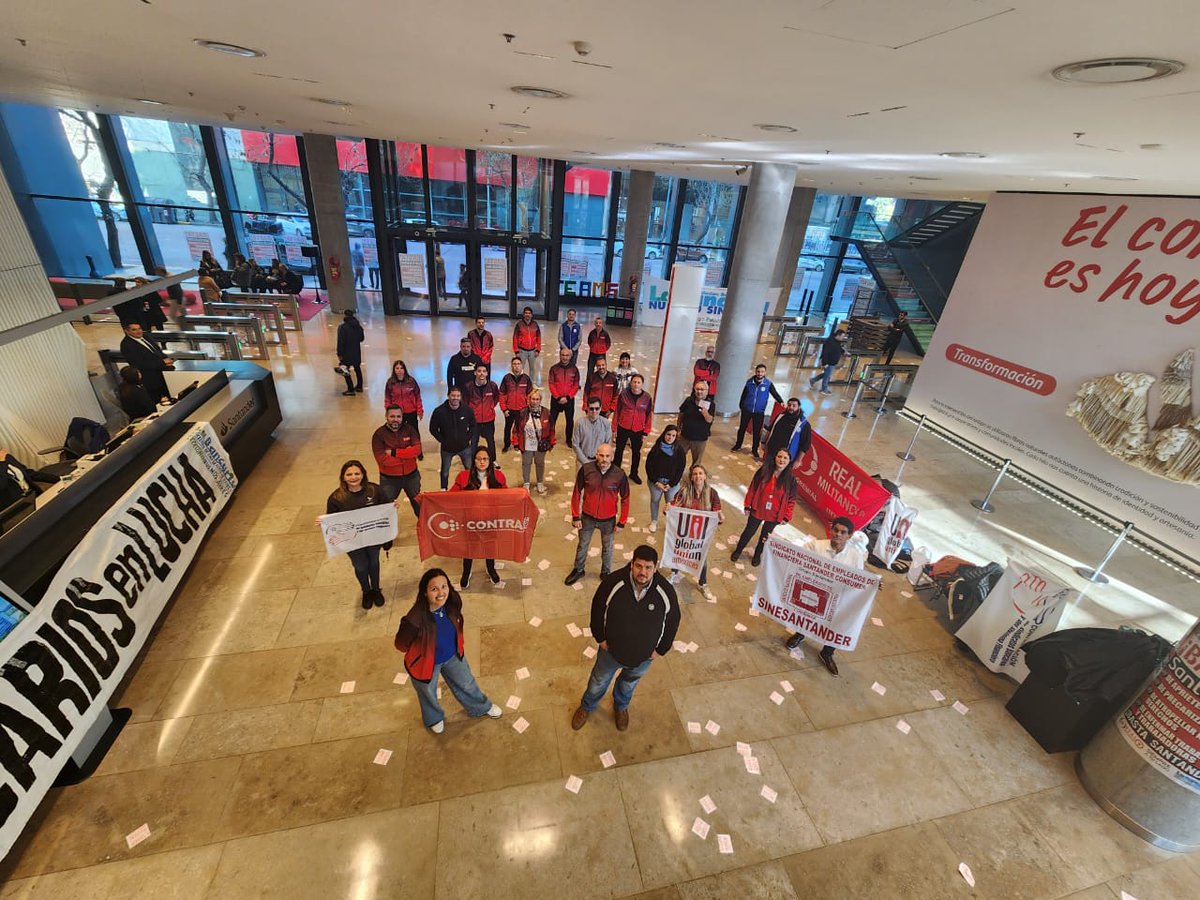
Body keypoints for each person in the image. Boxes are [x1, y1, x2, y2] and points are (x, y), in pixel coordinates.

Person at [570, 544, 679, 732]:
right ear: (631, 564)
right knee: (598, 682)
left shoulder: (665, 591)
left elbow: (674, 620)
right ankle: (587, 706)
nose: (642, 572)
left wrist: (660, 649)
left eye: (648, 567)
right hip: (610, 652)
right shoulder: (614, 582)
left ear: (656, 567)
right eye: (638, 566)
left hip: (643, 657)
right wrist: (600, 637)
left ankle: (621, 707)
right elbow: (597, 607)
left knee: (628, 685)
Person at [393, 568, 503, 734]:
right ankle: (434, 718)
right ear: (424, 593)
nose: (441, 593)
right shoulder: (414, 619)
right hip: (425, 663)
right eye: (434, 589)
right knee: (427, 693)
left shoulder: (452, 601)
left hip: (453, 655)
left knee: (467, 683)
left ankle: (480, 707)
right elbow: (401, 644)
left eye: (444, 586)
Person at [785, 516, 868, 677]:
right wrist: (774, 546)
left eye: (843, 532)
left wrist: (873, 585)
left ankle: (827, 652)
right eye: (835, 530)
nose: (838, 534)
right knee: (807, 614)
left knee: (836, 624)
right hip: (815, 592)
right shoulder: (816, 546)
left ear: (849, 536)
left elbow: (859, 580)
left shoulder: (855, 557)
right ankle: (800, 634)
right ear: (831, 530)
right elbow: (796, 555)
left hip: (838, 598)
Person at [325, 460, 398, 609]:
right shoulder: (336, 498)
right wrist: (324, 523)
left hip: (373, 537)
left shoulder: (374, 490)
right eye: (349, 474)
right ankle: (366, 591)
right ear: (343, 477)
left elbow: (385, 508)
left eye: (357, 473)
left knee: (374, 563)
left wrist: (392, 506)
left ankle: (376, 589)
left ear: (363, 474)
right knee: (361, 566)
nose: (353, 477)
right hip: (353, 542)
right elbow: (333, 521)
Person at [565, 444, 629, 585]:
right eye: (601, 455)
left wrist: (622, 521)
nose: (604, 459)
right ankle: (579, 570)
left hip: (609, 520)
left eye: (607, 456)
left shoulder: (619, 475)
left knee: (608, 548)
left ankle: (606, 572)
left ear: (612, 457)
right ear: (596, 455)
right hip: (587, 517)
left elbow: (625, 499)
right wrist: (575, 516)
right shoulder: (586, 470)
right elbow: (576, 492)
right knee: (582, 545)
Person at [731, 449, 798, 567]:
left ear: (789, 461)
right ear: (775, 457)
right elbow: (753, 488)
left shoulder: (790, 479)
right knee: (748, 532)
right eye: (779, 456)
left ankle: (757, 555)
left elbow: (791, 500)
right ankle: (738, 550)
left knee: (765, 537)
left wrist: (787, 516)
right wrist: (747, 504)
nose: (781, 460)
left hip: (774, 514)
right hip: (758, 509)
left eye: (785, 458)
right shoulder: (764, 471)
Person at [451, 448, 506, 588]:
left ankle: (490, 568)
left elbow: (507, 495)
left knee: (490, 545)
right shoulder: (463, 477)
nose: (481, 462)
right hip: (470, 521)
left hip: (490, 520)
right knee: (469, 547)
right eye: (478, 459)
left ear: (490, 460)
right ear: (473, 460)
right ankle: (466, 571)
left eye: (485, 459)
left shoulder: (498, 476)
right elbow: (450, 497)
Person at [669, 464, 724, 601]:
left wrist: (720, 517)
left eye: (700, 473)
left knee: (702, 561)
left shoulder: (712, 493)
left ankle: (703, 583)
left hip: (700, 536)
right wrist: (669, 507)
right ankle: (674, 573)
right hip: (684, 532)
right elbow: (675, 504)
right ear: (691, 478)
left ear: (705, 476)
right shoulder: (685, 491)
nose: (698, 476)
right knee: (678, 554)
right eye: (694, 474)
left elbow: (717, 510)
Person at [372, 405, 422, 516]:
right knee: (386, 509)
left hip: (411, 476)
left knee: (419, 506)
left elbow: (417, 450)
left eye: (398, 416)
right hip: (389, 480)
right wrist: (408, 456)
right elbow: (383, 460)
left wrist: (394, 453)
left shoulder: (410, 430)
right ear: (386, 416)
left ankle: (424, 530)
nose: (396, 419)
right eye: (392, 416)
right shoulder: (379, 435)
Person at [731, 364, 784, 458]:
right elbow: (744, 395)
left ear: (765, 372)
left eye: (762, 372)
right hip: (747, 410)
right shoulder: (749, 382)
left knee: (756, 431)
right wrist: (741, 406)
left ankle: (754, 449)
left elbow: (775, 393)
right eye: (758, 371)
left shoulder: (768, 384)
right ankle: (738, 445)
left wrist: (781, 401)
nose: (760, 373)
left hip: (759, 412)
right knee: (742, 428)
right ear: (756, 372)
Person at [429, 387, 477, 490]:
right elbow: (433, 429)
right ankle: (444, 488)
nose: (455, 398)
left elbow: (473, 426)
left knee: (469, 469)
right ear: (448, 396)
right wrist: (443, 440)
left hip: (464, 448)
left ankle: (472, 486)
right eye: (453, 395)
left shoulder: (467, 410)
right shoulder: (439, 411)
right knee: (445, 471)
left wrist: (467, 438)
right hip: (447, 449)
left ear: (461, 397)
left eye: (458, 396)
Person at [511, 387, 554, 493]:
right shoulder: (522, 413)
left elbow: (551, 428)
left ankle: (540, 482)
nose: (535, 402)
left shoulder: (546, 412)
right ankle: (526, 483)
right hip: (526, 444)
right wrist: (515, 442)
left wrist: (552, 442)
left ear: (540, 400)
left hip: (540, 444)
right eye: (533, 399)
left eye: (537, 399)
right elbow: (516, 429)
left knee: (540, 463)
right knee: (526, 463)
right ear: (529, 400)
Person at [119, 321, 173, 403]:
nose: (139, 331)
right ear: (127, 331)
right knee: (158, 402)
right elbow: (139, 364)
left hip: (164, 375)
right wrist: (162, 362)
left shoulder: (146, 336)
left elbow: (158, 351)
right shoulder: (126, 345)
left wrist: (167, 360)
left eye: (139, 328)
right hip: (151, 380)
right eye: (134, 330)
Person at [614, 373, 653, 484]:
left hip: (638, 429)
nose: (636, 384)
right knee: (619, 450)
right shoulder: (623, 395)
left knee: (636, 452)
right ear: (631, 383)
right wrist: (614, 428)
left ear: (642, 384)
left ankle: (634, 473)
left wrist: (646, 432)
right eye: (634, 382)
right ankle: (616, 472)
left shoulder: (647, 398)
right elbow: (617, 411)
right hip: (623, 426)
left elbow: (648, 415)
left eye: (638, 382)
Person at [644, 424, 685, 531]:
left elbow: (680, 469)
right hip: (656, 482)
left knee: (671, 503)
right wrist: (656, 482)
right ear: (664, 434)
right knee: (655, 500)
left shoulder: (679, 450)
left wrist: (671, 484)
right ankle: (654, 521)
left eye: (673, 436)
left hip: (672, 484)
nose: (670, 438)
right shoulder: (656, 448)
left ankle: (671, 523)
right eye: (668, 434)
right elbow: (649, 466)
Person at [462, 363, 501, 465]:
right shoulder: (468, 387)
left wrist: (490, 408)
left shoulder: (492, 386)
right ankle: (473, 461)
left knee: (491, 441)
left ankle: (493, 460)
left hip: (489, 420)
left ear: (487, 373)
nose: (481, 374)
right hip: (475, 421)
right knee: (474, 442)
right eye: (479, 371)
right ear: (475, 373)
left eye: (484, 371)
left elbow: (496, 399)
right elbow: (465, 402)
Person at [547, 347, 581, 447]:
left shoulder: (574, 369)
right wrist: (557, 397)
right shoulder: (554, 368)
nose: (565, 357)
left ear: (570, 356)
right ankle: (549, 438)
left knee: (569, 420)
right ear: (559, 355)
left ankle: (568, 439)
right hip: (556, 399)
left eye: (567, 355)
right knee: (552, 420)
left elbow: (576, 385)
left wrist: (568, 397)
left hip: (569, 400)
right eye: (563, 355)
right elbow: (551, 383)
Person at [677, 380, 714, 467]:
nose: (699, 391)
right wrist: (678, 428)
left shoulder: (710, 404)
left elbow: (709, 420)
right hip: (685, 436)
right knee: (678, 457)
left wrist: (705, 413)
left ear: (707, 391)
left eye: (702, 389)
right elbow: (681, 414)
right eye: (697, 389)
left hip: (700, 439)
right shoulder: (689, 400)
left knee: (696, 462)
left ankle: (694, 477)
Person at [499, 357, 532, 453]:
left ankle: (518, 444)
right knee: (507, 428)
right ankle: (506, 444)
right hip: (509, 409)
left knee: (520, 428)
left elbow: (530, 394)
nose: (516, 366)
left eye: (518, 364)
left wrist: (528, 408)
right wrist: (504, 409)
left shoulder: (526, 378)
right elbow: (502, 394)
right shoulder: (506, 378)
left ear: (522, 366)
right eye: (514, 364)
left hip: (522, 409)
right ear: (511, 366)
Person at [763, 397, 812, 462]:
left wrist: (798, 460)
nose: (791, 407)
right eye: (789, 405)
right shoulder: (780, 416)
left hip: (786, 458)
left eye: (794, 406)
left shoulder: (804, 424)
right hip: (771, 452)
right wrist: (764, 443)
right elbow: (770, 430)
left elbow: (805, 445)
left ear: (799, 407)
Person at [384, 359, 424, 437]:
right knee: (398, 432)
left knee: (414, 431)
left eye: (401, 368)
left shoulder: (411, 381)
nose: (399, 370)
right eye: (397, 368)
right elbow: (387, 398)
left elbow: (417, 395)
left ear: (404, 369)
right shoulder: (390, 383)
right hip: (397, 412)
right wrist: (388, 411)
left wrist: (420, 410)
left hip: (411, 411)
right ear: (394, 370)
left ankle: (417, 448)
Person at [572, 396, 612, 466]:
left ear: (600, 408)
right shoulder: (579, 423)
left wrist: (602, 459)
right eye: (591, 409)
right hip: (582, 461)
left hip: (600, 461)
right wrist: (585, 462)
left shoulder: (606, 424)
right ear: (587, 408)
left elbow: (607, 444)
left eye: (597, 408)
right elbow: (575, 445)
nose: (594, 411)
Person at [809, 325, 849, 394]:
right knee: (827, 376)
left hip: (833, 361)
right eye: (842, 336)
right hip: (829, 362)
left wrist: (844, 352)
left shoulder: (837, 341)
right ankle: (824, 389)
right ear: (838, 335)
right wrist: (825, 363)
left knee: (826, 374)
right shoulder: (830, 342)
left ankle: (813, 380)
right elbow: (825, 353)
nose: (843, 338)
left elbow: (838, 348)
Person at [336, 310, 365, 396]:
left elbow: (340, 342)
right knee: (357, 369)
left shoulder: (342, 327)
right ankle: (359, 386)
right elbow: (361, 339)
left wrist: (339, 354)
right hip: (356, 352)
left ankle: (350, 389)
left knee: (345, 370)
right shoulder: (358, 327)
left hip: (346, 353)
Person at [513, 306, 541, 378]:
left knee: (532, 369)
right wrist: (516, 351)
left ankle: (531, 383)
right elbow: (515, 338)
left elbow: (539, 337)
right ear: (523, 314)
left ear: (531, 315)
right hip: (522, 351)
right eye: (526, 313)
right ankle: (519, 382)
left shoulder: (535, 324)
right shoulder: (519, 324)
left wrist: (538, 349)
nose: (527, 314)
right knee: (520, 368)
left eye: (529, 313)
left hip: (532, 351)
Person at [585, 315, 612, 379]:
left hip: (601, 354)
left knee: (602, 370)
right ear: (594, 324)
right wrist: (592, 347)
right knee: (590, 370)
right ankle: (588, 384)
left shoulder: (605, 333)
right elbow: (589, 341)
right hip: (592, 354)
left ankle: (600, 383)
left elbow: (608, 343)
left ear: (602, 324)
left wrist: (603, 349)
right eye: (596, 323)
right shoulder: (592, 333)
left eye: (599, 323)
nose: (598, 324)